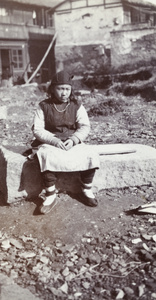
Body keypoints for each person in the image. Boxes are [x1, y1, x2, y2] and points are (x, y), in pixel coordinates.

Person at [32, 70, 100, 214]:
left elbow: (85, 126)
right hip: (51, 141)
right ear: (52, 89)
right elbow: (37, 129)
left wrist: (74, 139)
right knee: (45, 156)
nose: (64, 93)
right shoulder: (43, 106)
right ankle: (50, 195)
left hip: (71, 141)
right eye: (60, 89)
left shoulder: (76, 105)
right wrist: (54, 140)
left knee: (90, 154)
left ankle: (86, 189)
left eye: (67, 89)